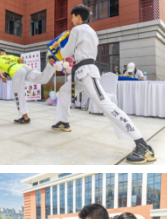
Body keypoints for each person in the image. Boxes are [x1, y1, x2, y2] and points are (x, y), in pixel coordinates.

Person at [50, 5, 154, 164]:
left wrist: (56, 48)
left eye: (72, 18)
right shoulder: (92, 32)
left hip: (86, 72)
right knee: (64, 91)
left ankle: (142, 145)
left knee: (106, 105)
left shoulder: (77, 30)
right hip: (82, 72)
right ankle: (64, 121)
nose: (71, 21)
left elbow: (65, 53)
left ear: (78, 17)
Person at [0, 48, 55, 124]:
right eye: (5, 52)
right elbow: (21, 60)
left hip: (16, 71)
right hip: (25, 67)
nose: (5, 54)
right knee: (42, 78)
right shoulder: (11, 56)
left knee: (18, 94)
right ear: (2, 53)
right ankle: (51, 62)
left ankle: (25, 118)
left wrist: (2, 77)